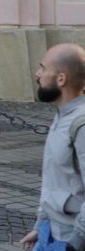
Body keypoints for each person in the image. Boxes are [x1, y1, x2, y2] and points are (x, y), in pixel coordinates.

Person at [19, 43, 85, 251]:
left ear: (61, 79)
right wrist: (41, 227)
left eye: (43, 68)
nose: (37, 74)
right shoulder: (61, 116)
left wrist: (76, 242)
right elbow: (55, 182)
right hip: (50, 233)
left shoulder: (80, 125)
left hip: (69, 240)